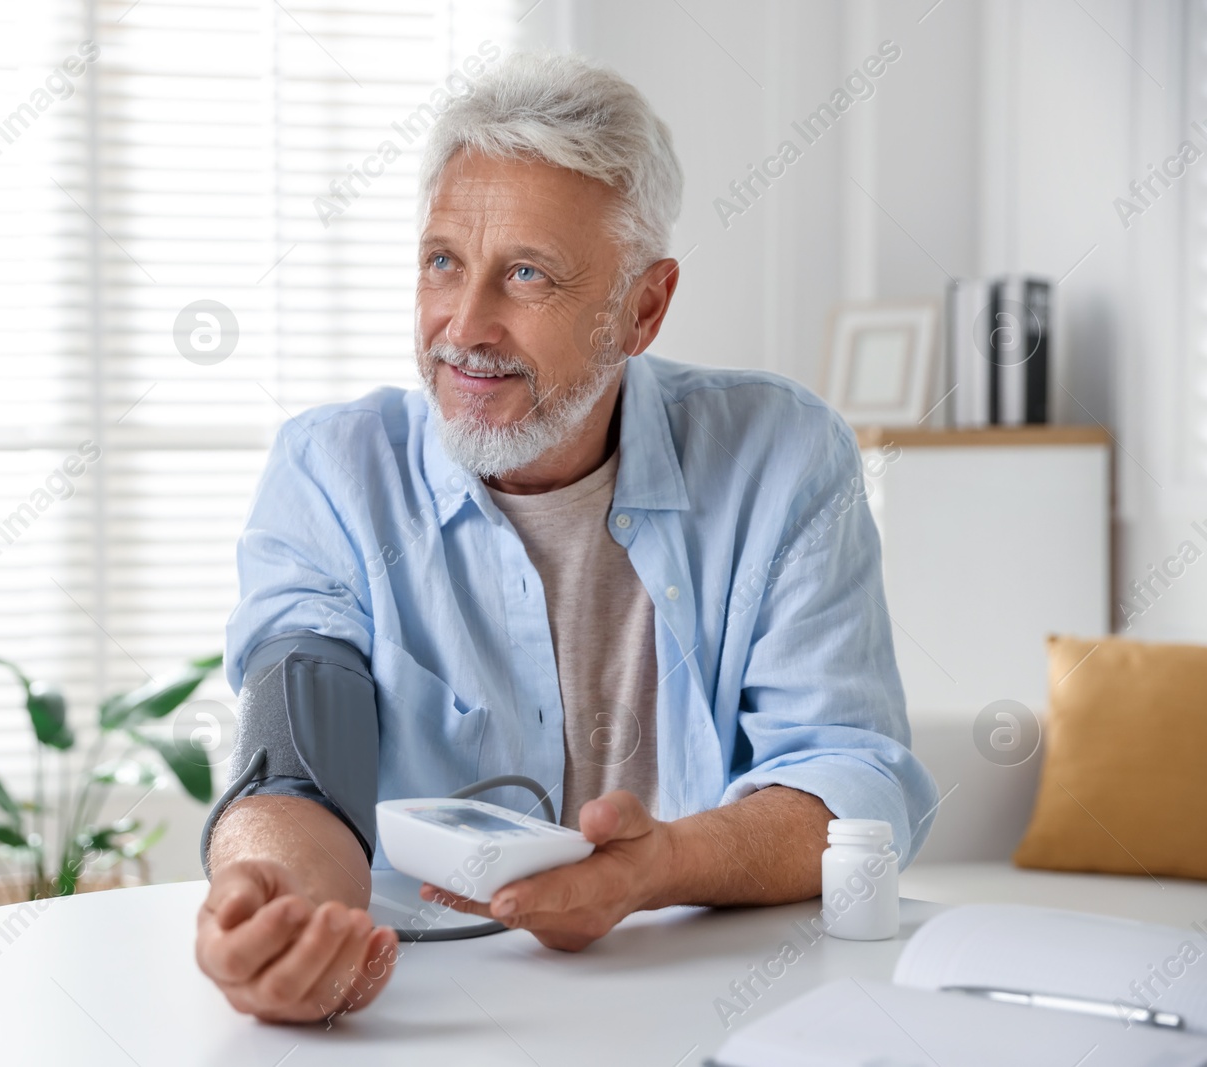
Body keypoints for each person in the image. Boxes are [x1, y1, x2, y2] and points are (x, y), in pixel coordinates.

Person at [194, 50, 937, 1024]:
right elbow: (298, 761)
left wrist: (660, 863)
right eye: (442, 261)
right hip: (428, 1010)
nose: (464, 325)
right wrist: (277, 904)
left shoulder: (781, 457)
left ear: (642, 306)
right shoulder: (331, 472)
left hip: (716, 996)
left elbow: (855, 778)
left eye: (527, 275)